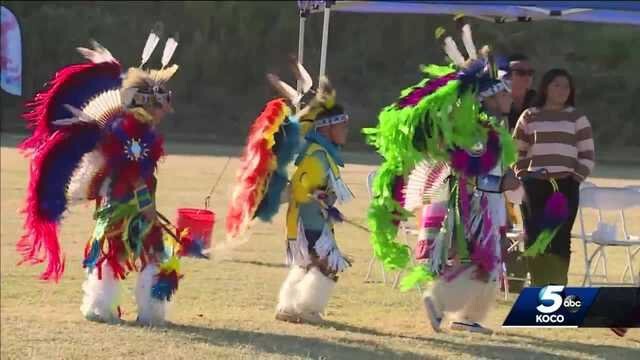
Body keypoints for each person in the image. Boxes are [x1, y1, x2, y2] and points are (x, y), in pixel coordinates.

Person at [17, 30, 202, 325]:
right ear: (146, 104)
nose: (166, 110)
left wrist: (146, 201)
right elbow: (131, 172)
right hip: (122, 206)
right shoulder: (127, 132)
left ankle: (145, 312)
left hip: (134, 204)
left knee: (149, 253)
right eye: (162, 103)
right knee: (115, 254)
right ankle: (103, 307)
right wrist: (145, 203)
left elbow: (137, 171)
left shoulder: (141, 132)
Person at [364, 16, 520, 335]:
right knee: (478, 263)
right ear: (490, 97)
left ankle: (468, 317)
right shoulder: (479, 133)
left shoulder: (487, 129)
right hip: (471, 207)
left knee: (487, 265)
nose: (511, 97)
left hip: (481, 206)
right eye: (504, 93)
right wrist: (502, 182)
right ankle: (439, 301)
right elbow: (470, 174)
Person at [275, 79, 353, 324]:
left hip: (312, 218)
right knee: (326, 264)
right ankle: (307, 308)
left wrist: (325, 205)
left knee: (310, 264)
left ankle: (289, 308)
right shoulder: (317, 155)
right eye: (342, 126)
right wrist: (321, 202)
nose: (345, 131)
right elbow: (302, 190)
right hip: (309, 220)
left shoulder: (321, 153)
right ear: (326, 129)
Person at [513, 68, 595, 286]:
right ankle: (538, 286)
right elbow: (516, 150)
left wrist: (575, 179)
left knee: (559, 239)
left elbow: (587, 155)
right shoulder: (530, 116)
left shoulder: (577, 118)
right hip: (534, 185)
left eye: (566, 86)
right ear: (545, 87)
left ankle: (557, 289)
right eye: (556, 85)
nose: (561, 90)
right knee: (534, 237)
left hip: (566, 186)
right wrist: (522, 174)